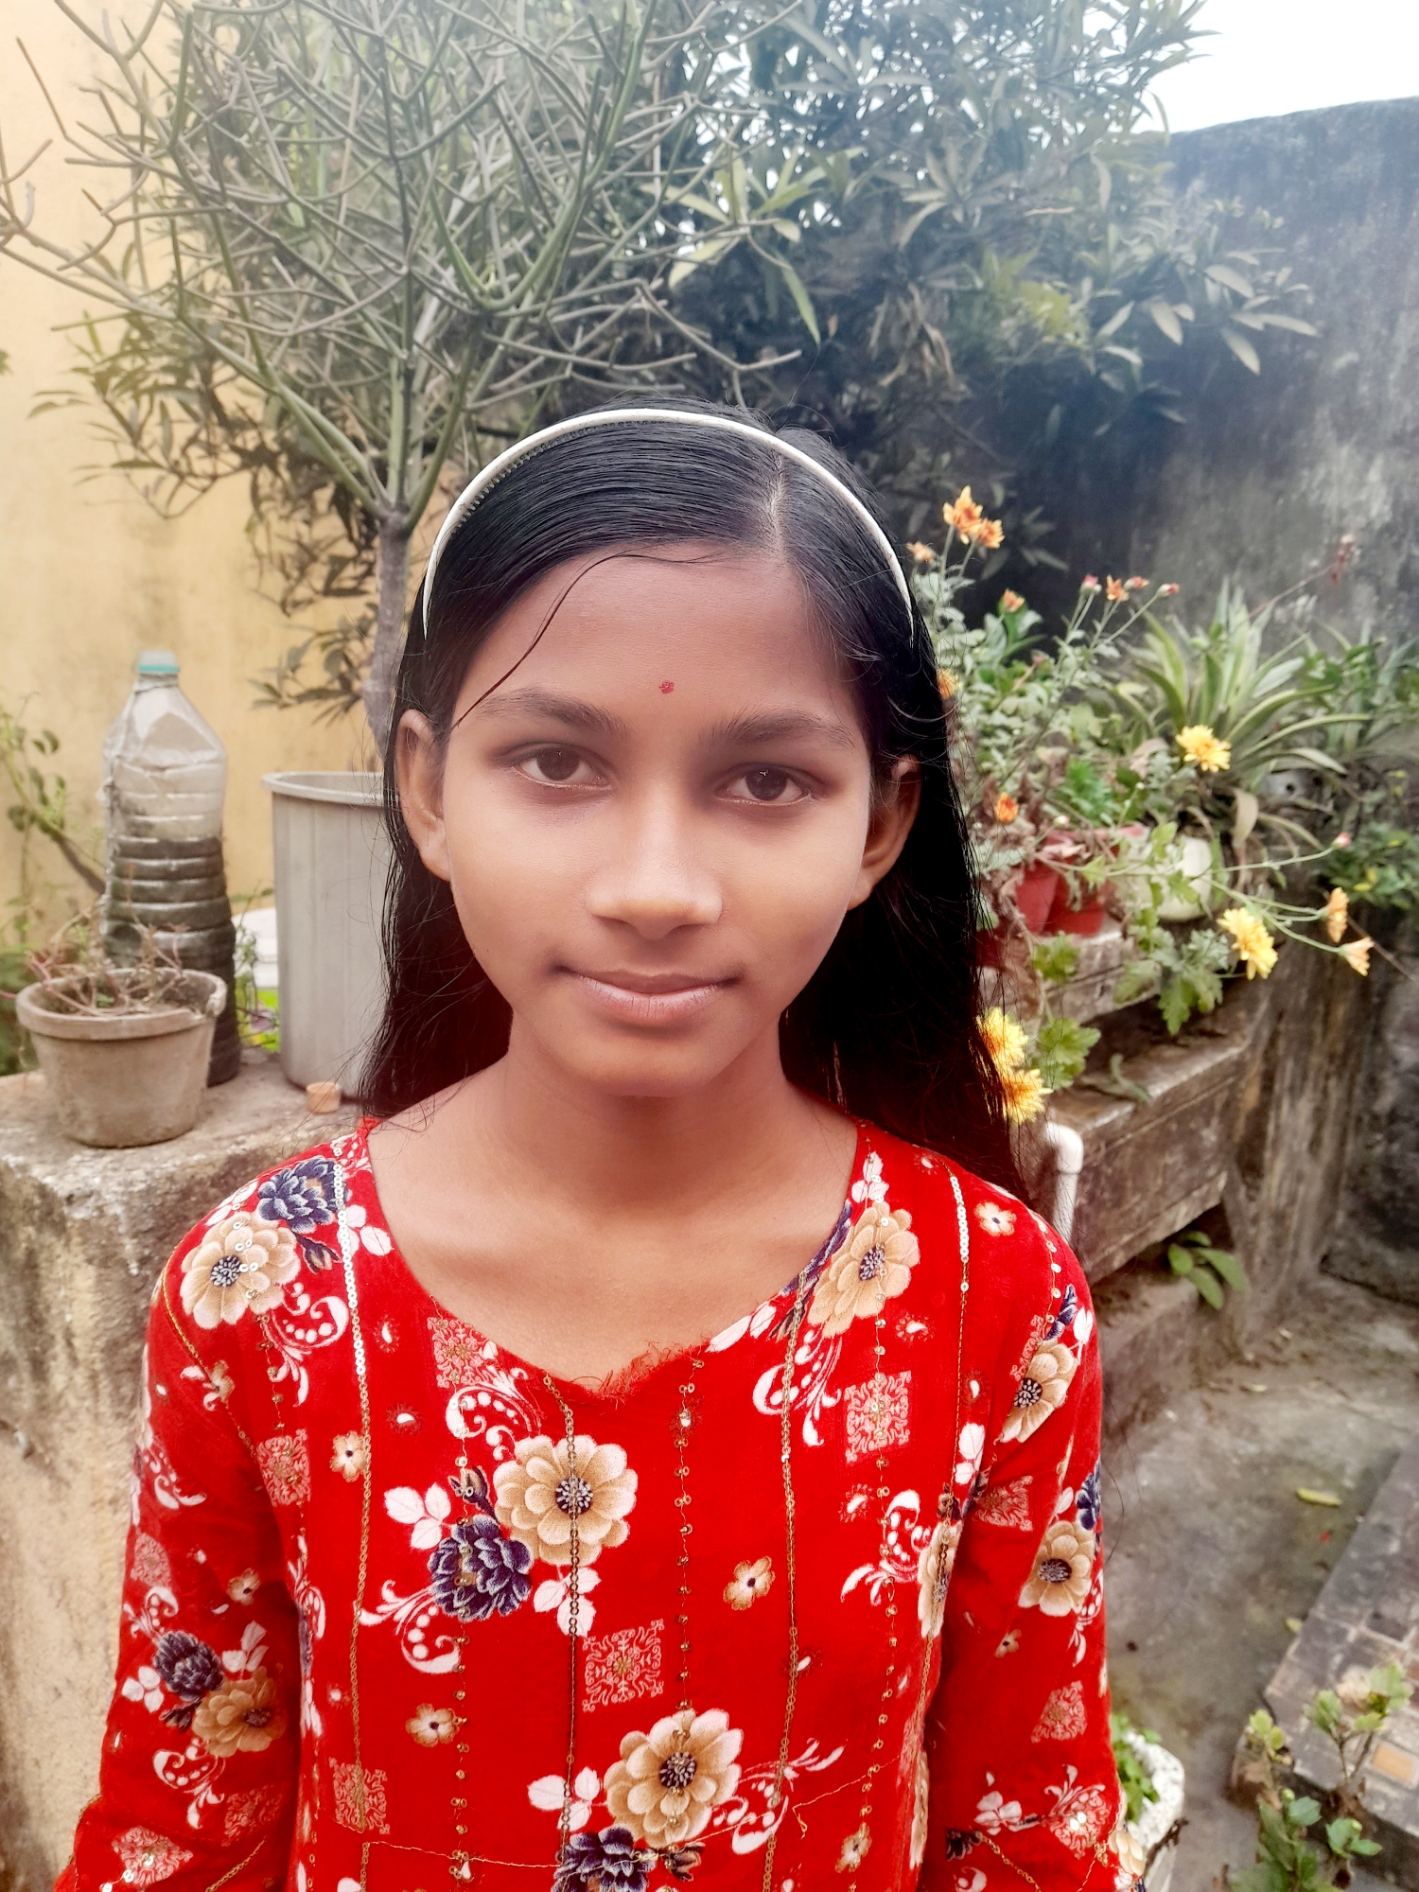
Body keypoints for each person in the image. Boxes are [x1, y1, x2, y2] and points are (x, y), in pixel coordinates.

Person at [62, 404, 1127, 1892]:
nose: (654, 887)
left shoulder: (991, 1304)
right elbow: (184, 1827)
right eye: (557, 761)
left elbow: (1028, 1829)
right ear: (428, 790)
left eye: (766, 781)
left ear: (882, 828)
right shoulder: (262, 1301)